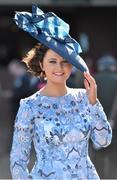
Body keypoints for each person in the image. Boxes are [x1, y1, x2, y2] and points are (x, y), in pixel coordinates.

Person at [10, 5, 112, 180]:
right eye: (52, 61)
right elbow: (18, 161)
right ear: (42, 65)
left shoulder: (84, 98)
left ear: (72, 65)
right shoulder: (29, 106)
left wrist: (94, 103)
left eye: (65, 61)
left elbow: (103, 141)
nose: (59, 67)